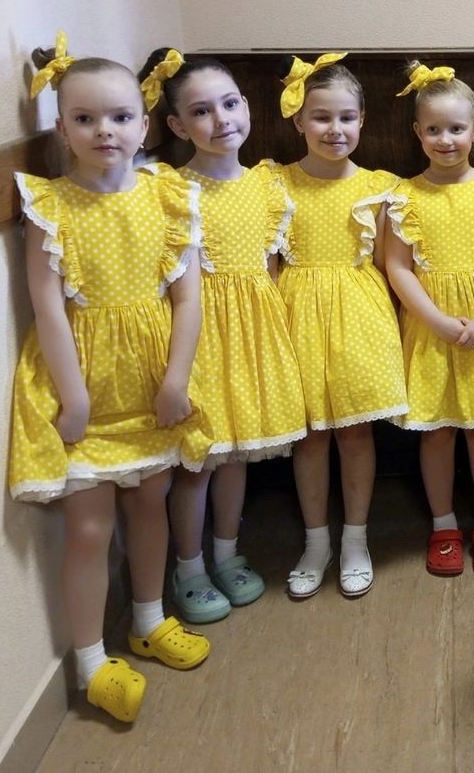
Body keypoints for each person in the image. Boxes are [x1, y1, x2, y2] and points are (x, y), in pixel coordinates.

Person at [9, 32, 212, 722]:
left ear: (144, 125)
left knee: (150, 504)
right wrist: (72, 398)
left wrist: (176, 380)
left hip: (153, 379)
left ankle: (149, 620)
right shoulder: (50, 205)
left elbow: (188, 299)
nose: (104, 131)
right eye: (85, 118)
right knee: (90, 528)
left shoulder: (169, 196)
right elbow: (47, 306)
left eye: (120, 117)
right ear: (61, 128)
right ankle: (91, 662)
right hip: (86, 384)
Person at [139, 48, 307, 620]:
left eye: (230, 104)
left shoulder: (267, 185)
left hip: (254, 336)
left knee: (237, 455)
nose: (221, 120)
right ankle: (188, 568)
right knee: (199, 460)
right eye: (201, 111)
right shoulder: (170, 190)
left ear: (247, 106)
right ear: (176, 125)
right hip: (197, 339)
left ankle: (227, 553)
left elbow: (272, 270)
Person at [274, 53, 408, 598]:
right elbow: (270, 264)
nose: (335, 129)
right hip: (296, 314)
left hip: (359, 314)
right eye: (321, 117)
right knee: (309, 435)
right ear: (299, 122)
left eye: (347, 117)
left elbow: (390, 265)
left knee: (354, 432)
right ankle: (316, 542)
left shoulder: (380, 186)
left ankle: (355, 538)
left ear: (363, 121)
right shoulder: (276, 183)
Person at [385, 62, 474, 575]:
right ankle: (443, 525)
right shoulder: (403, 196)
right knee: (438, 432)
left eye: (456, 128)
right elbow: (397, 266)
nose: (445, 140)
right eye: (434, 129)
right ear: (417, 132)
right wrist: (437, 321)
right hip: (431, 328)